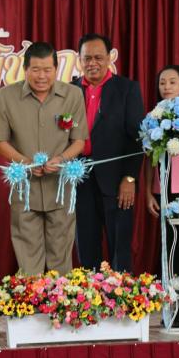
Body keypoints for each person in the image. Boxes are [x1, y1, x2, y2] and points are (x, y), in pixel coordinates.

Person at [0, 42, 88, 276]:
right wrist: (25, 162)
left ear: (56, 69)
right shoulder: (7, 95)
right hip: (25, 189)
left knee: (61, 258)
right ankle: (30, 297)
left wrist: (60, 159)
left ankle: (60, 297)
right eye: (35, 70)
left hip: (61, 189)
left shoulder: (73, 95)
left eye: (47, 70)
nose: (41, 76)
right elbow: (0, 141)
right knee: (28, 258)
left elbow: (79, 141)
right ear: (25, 69)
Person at [72, 33, 144, 272]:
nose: (92, 63)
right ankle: (87, 292)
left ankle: (122, 292)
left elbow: (137, 138)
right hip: (79, 178)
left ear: (109, 58)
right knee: (85, 244)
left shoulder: (127, 89)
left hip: (116, 180)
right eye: (87, 58)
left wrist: (130, 178)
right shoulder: (69, 90)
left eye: (98, 57)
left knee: (119, 246)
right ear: (79, 60)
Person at [145, 65, 179, 327]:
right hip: (163, 188)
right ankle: (173, 307)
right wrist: (148, 191)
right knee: (169, 248)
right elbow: (148, 159)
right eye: (162, 82)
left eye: (172, 82)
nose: (166, 86)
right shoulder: (153, 116)